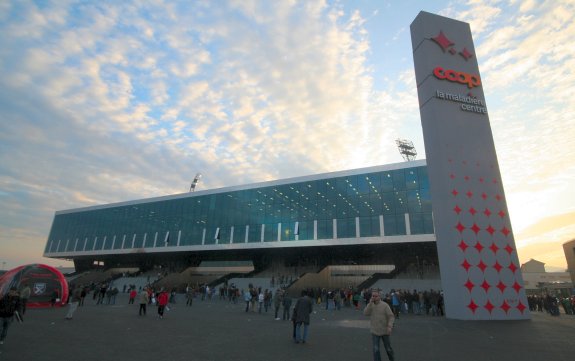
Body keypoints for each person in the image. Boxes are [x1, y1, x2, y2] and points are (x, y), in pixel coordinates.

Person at [364, 291, 395, 361]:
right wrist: (369, 304)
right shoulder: (371, 305)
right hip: (375, 331)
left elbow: (391, 316)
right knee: (376, 349)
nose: (374, 297)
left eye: (376, 296)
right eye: (373, 296)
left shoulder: (385, 305)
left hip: (385, 330)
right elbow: (365, 313)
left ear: (379, 297)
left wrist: (390, 326)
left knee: (388, 349)